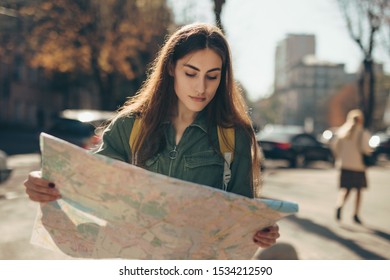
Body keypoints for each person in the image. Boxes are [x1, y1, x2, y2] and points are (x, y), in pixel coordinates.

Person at [24, 23, 280, 251]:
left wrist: (259, 232)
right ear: (170, 67)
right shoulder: (128, 127)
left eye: (212, 76)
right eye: (191, 73)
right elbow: (87, 188)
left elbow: (241, 221)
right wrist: (45, 183)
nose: (201, 87)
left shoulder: (235, 136)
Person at [332, 109, 372, 224]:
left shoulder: (342, 132)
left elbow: (335, 147)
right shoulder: (362, 133)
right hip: (358, 166)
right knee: (358, 191)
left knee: (346, 189)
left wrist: (341, 158)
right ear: (360, 120)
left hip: (344, 165)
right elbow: (367, 149)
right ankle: (355, 213)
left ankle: (339, 205)